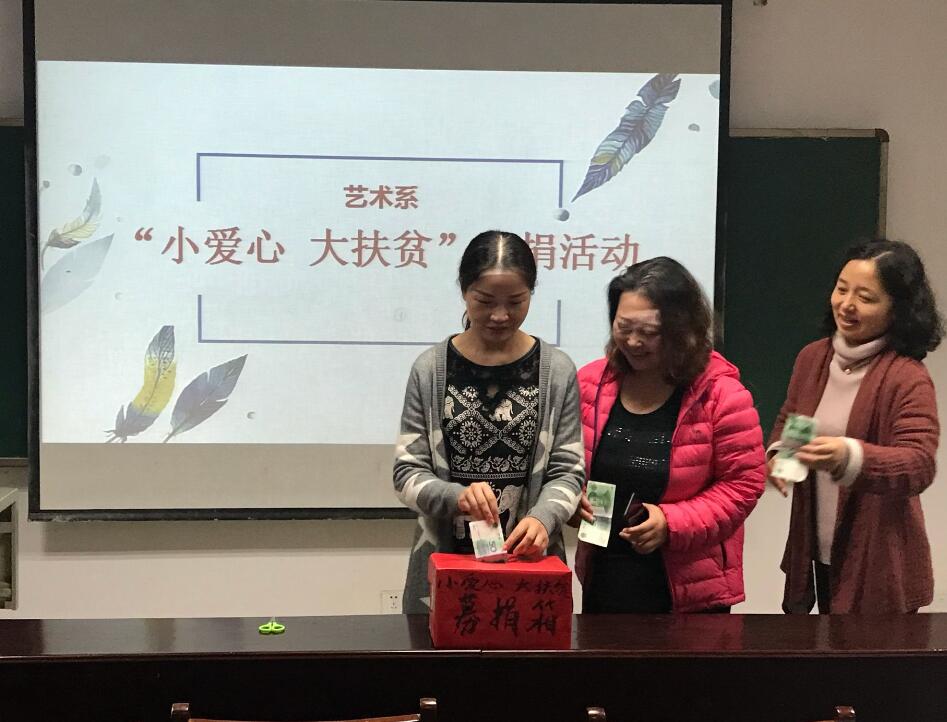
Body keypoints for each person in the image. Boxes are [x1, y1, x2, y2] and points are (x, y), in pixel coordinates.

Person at [393, 230, 584, 614]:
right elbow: (406, 473)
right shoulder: (430, 369)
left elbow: (568, 471)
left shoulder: (556, 370)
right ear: (464, 291)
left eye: (516, 301)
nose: (500, 315)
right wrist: (456, 496)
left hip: (529, 567)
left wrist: (543, 519)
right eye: (484, 301)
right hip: (444, 568)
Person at [573, 257, 765, 613]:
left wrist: (671, 523)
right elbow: (570, 465)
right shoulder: (590, 383)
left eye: (649, 332)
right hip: (606, 577)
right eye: (623, 326)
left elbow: (744, 485)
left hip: (690, 588)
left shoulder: (721, 395)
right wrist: (572, 500)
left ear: (682, 328)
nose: (633, 341)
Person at [768, 239, 943, 614]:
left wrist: (849, 457)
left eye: (865, 297)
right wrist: (783, 459)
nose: (846, 304)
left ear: (897, 309)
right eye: (841, 289)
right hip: (817, 552)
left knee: (866, 653)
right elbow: (795, 420)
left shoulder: (906, 376)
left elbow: (918, 464)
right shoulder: (813, 357)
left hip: (878, 562)